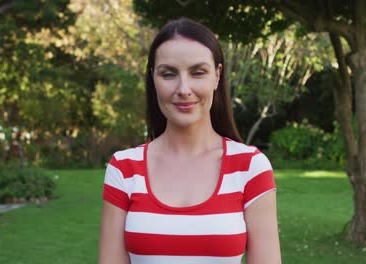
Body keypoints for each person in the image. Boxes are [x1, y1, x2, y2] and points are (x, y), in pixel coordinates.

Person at [99, 18, 281, 264]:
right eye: (169, 74)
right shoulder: (124, 169)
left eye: (198, 72)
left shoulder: (250, 167)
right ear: (153, 78)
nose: (184, 88)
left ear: (217, 76)